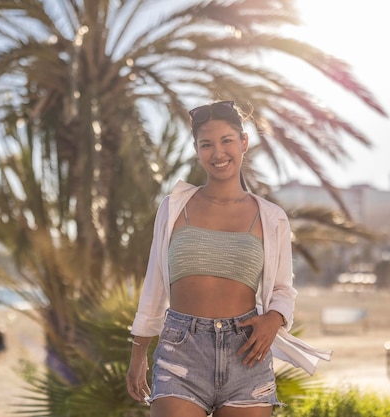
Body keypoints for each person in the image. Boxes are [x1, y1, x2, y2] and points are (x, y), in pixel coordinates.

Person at [126, 100, 332, 416]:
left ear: (243, 142)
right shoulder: (174, 207)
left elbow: (282, 290)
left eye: (227, 141)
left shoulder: (271, 217)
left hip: (246, 353)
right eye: (206, 144)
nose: (218, 153)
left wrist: (273, 320)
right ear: (196, 149)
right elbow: (154, 280)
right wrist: (138, 352)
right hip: (180, 351)